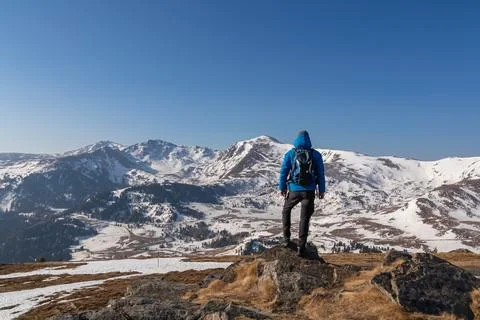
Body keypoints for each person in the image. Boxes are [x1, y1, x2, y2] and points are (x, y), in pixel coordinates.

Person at [278, 130, 326, 257]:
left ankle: (286, 239)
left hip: (294, 190)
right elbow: (320, 173)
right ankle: (301, 246)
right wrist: (321, 190)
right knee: (304, 218)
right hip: (309, 191)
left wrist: (282, 187)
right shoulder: (315, 155)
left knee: (286, 211)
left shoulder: (290, 154)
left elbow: (284, 171)